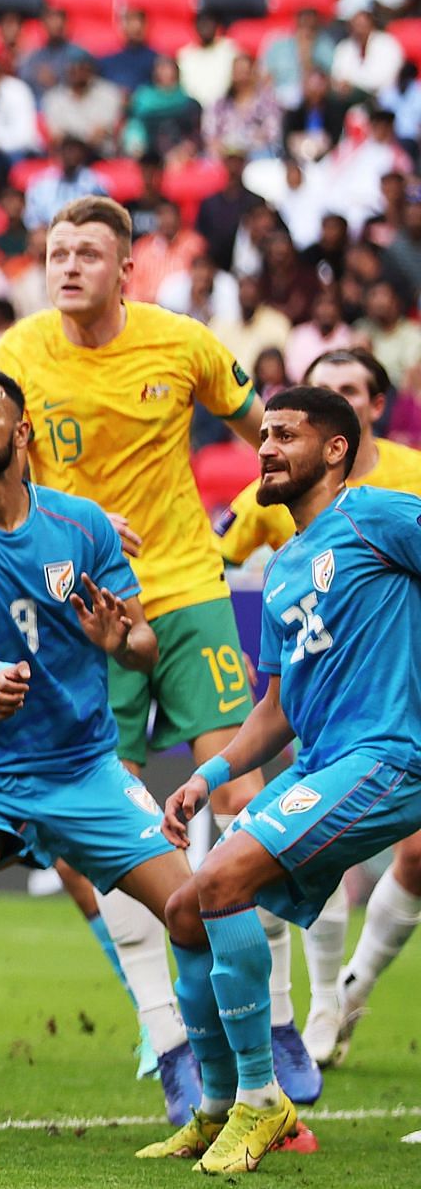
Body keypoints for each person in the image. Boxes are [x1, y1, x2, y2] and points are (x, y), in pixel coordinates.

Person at [0, 196, 327, 1106]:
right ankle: (169, 1036)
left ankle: (284, 1020)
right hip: (76, 610)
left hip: (184, 590)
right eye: (56, 252)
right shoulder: (19, 355)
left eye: (88, 253)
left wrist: (293, 529)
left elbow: (271, 427)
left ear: (125, 267)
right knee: (85, 830)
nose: (68, 267)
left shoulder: (181, 344)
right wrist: (74, 522)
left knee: (245, 792)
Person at [0, 365, 205, 1147]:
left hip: (85, 766)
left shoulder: (83, 526)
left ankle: (202, 1069)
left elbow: (142, 643)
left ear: (21, 432)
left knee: (198, 906)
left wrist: (120, 638)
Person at [154, 387, 421, 1172]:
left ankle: (262, 1101)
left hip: (387, 756)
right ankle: (213, 1107)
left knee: (224, 878)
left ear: (335, 450)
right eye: (261, 434)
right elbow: (274, 709)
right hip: (322, 762)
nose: (264, 447)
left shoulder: (379, 514)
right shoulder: (281, 571)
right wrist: (208, 774)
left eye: (285, 436)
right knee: (186, 909)